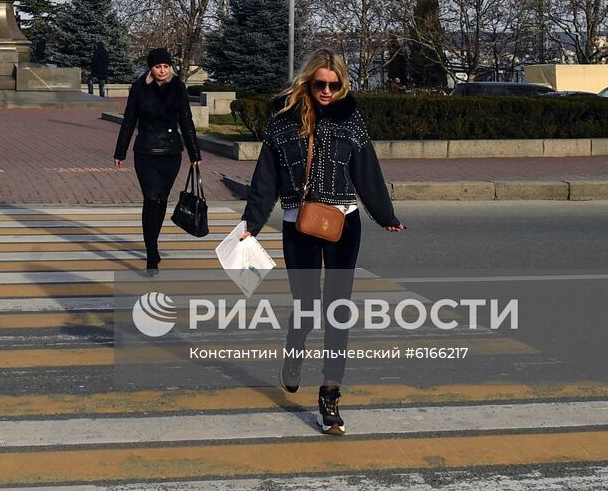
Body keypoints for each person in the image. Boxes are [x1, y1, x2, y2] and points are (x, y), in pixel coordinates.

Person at [240, 48, 405, 436]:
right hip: (299, 225)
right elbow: (265, 178)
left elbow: (367, 170)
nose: (327, 91)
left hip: (344, 224)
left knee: (337, 310)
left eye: (334, 85)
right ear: (308, 82)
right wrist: (251, 222)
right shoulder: (283, 121)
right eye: (320, 84)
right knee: (307, 306)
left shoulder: (350, 119)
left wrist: (385, 214)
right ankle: (293, 355)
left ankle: (329, 395)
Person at [114, 48, 200, 276]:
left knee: (162, 200)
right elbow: (129, 120)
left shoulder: (178, 88)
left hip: (172, 153)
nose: (162, 70)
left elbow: (186, 121)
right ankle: (151, 252)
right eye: (158, 66)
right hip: (146, 152)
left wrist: (195, 154)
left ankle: (153, 241)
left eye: (165, 66)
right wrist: (120, 151)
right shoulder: (140, 87)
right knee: (151, 199)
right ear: (150, 68)